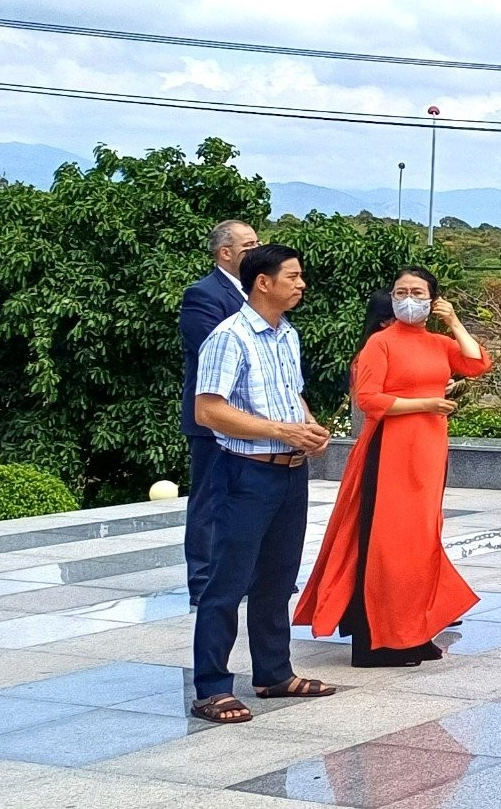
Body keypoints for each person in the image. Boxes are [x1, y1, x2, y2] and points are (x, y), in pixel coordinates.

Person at [295, 269, 488, 667]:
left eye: (417, 292)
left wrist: (452, 321)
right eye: (401, 292)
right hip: (390, 449)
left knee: (422, 540)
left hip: (429, 449)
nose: (408, 297)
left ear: (433, 299)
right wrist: (426, 404)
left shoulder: (438, 343)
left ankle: (413, 631)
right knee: (390, 544)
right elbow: (369, 399)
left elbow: (476, 364)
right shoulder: (379, 344)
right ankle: (378, 639)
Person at [189, 243, 336, 724]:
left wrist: (308, 427)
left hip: (291, 472)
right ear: (263, 282)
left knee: (276, 579)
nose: (301, 284)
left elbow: (288, 394)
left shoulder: (285, 335)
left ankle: (274, 674)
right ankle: (211, 686)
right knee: (227, 582)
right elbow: (208, 409)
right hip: (245, 474)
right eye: (292, 277)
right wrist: (280, 430)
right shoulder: (229, 337)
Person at [179, 219, 257, 606]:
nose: (257, 250)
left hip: (255, 420)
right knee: (210, 501)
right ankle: (204, 581)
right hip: (214, 418)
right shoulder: (203, 294)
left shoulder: (258, 292)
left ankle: (248, 575)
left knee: (249, 498)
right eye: (248, 244)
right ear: (224, 252)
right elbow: (212, 349)